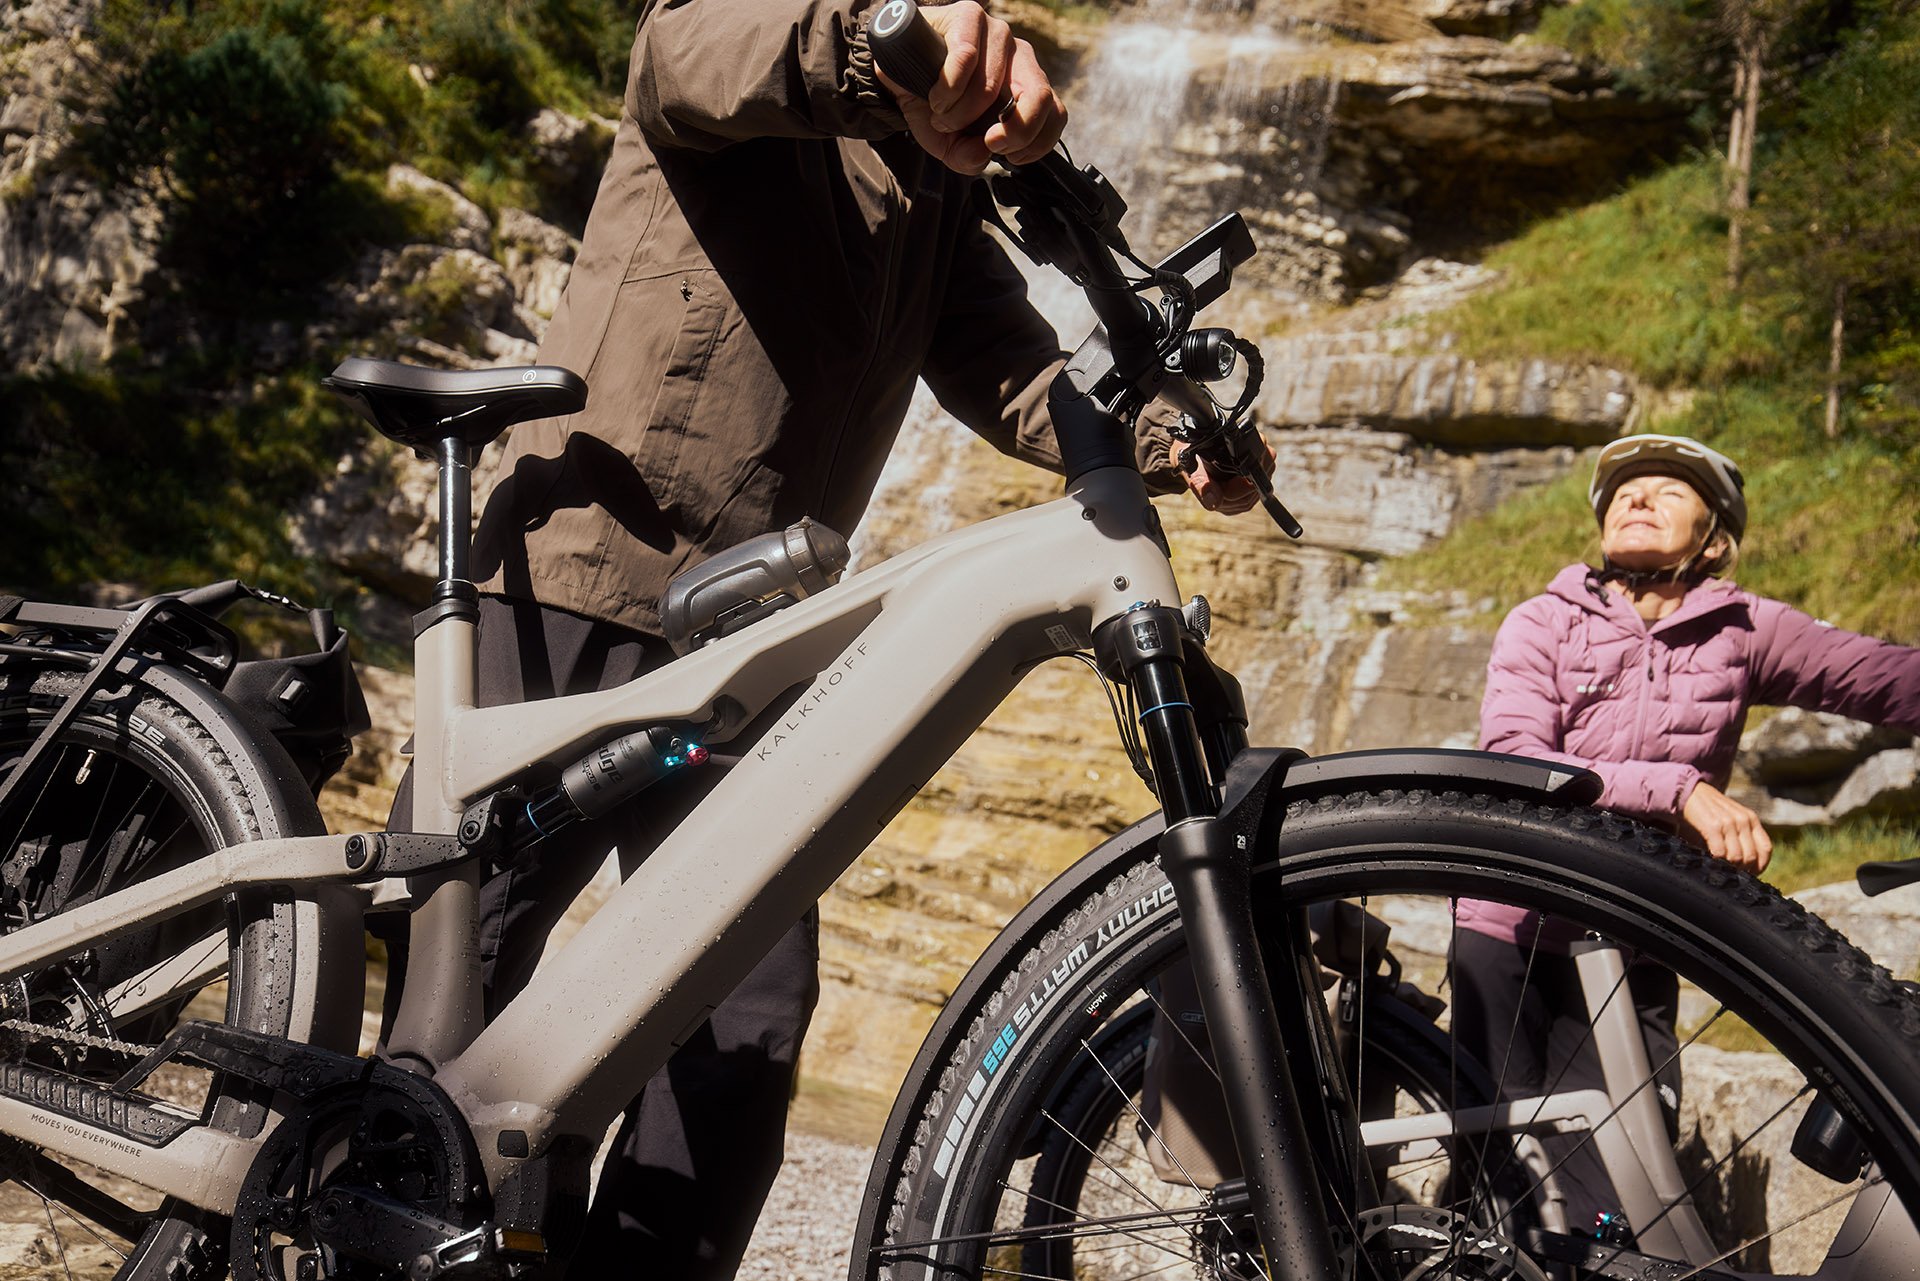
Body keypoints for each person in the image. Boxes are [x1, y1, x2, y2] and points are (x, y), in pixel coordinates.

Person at [441, 0, 1269, 1275]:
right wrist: (889, 49)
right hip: (588, 562)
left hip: (762, 628)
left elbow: (1005, 358)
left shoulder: (934, 195)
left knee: (749, 1018)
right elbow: (686, 64)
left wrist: (1168, 431)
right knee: (478, 972)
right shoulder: (766, 32)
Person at [1451, 432, 1920, 1233]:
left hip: (1635, 936)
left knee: (1621, 1193)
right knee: (1496, 1178)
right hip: (1510, 928)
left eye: (1668, 492)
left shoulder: (1740, 629)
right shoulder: (1545, 620)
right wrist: (1682, 789)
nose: (1636, 498)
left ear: (1713, 538)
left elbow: (1879, 675)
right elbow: (1516, 762)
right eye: (1624, 491)